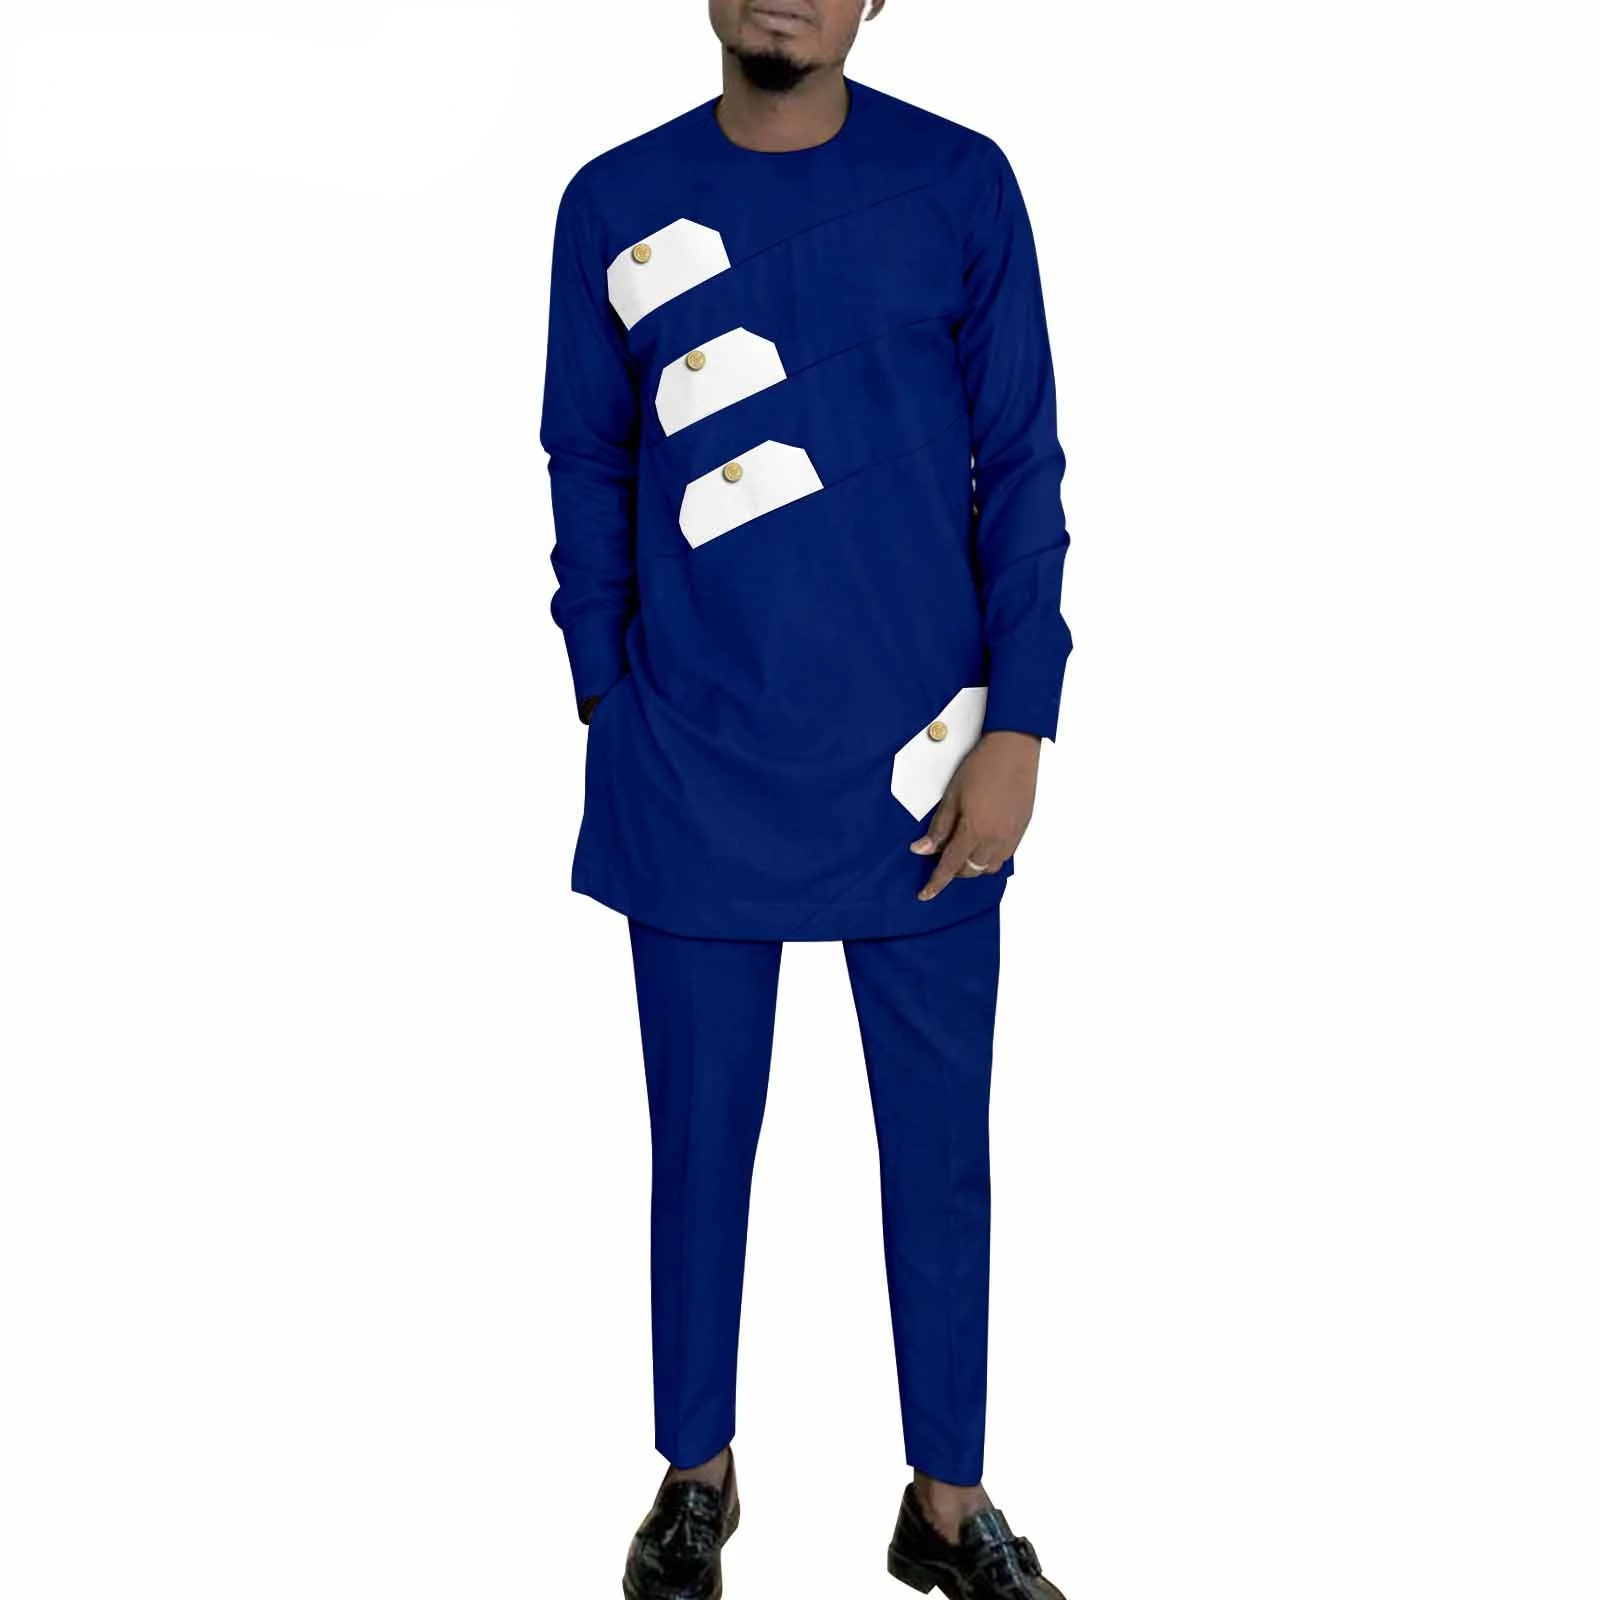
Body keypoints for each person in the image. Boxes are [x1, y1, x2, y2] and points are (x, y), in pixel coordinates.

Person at [539, 3, 1073, 1595]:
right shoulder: (610, 201)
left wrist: (1021, 723)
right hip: (693, 764)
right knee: (699, 1143)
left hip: (928, 762)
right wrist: (602, 682)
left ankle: (949, 1504)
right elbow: (587, 454)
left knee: (940, 1152)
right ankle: (694, 1474)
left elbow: (1023, 462)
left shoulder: (959, 185)